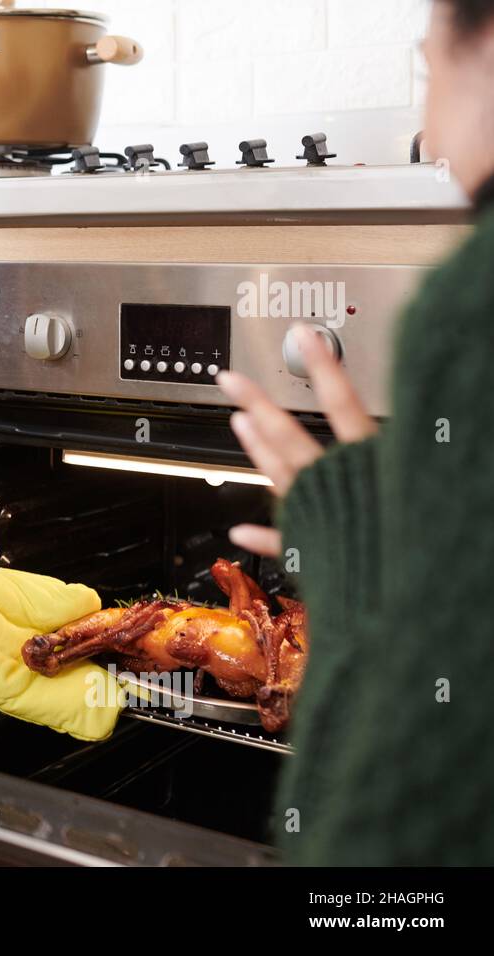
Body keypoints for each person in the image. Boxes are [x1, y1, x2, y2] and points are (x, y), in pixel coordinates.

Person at [217, 0, 494, 864]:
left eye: (429, 68)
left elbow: (383, 861)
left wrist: (356, 570)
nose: (427, 127)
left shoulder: (472, 313)